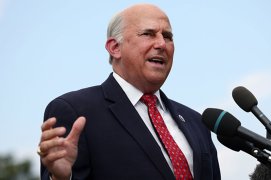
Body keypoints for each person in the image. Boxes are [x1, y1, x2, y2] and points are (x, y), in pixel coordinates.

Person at [37, 3, 221, 180]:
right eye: (148, 34)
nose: (161, 44)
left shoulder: (197, 122)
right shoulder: (76, 112)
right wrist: (61, 178)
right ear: (115, 48)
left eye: (167, 36)